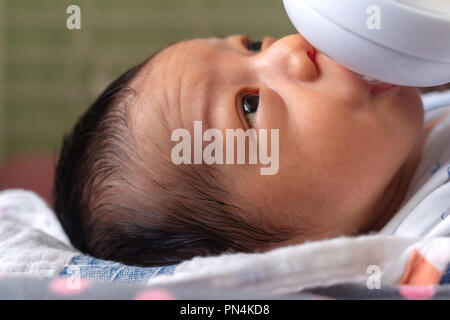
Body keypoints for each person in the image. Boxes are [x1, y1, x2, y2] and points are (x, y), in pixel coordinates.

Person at [53, 34, 450, 267]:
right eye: (250, 106)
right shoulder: (431, 246)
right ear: (283, 258)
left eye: (253, 45)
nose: (294, 46)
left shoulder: (412, 133)